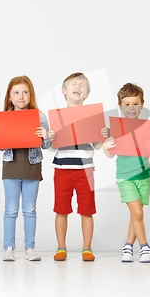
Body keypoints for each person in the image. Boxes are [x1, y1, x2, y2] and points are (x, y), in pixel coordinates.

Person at [0, 76, 51, 261]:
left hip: (32, 167)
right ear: (10, 97)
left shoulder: (40, 117)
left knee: (30, 210)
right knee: (11, 210)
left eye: (25, 92)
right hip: (11, 168)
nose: (21, 96)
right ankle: (9, 248)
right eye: (16, 92)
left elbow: (47, 146)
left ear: (30, 95)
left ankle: (30, 249)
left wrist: (46, 136)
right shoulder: (4, 117)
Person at [49, 73, 108, 261]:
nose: (78, 86)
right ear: (64, 91)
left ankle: (87, 248)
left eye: (82, 85)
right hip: (62, 169)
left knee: (87, 210)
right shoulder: (57, 117)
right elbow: (52, 147)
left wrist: (103, 135)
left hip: (86, 169)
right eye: (74, 84)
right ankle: (61, 247)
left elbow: (98, 146)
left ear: (87, 94)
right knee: (61, 209)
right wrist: (50, 138)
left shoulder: (92, 117)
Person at [102, 83, 150, 263]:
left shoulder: (147, 127)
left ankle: (128, 246)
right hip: (125, 177)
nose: (131, 108)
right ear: (121, 106)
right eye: (127, 104)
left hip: (144, 176)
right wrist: (107, 146)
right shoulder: (116, 129)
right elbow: (108, 154)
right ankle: (144, 247)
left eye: (135, 103)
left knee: (135, 214)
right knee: (138, 213)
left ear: (142, 104)